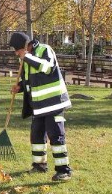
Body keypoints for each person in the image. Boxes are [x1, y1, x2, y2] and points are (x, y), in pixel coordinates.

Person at [9, 32, 73, 181]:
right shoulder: (25, 60)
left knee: (56, 136)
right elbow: (30, 80)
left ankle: (64, 170)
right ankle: (39, 165)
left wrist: (27, 57)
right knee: (36, 135)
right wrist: (20, 87)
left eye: (17, 50)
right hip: (38, 107)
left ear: (25, 47)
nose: (16, 53)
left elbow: (47, 67)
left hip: (54, 103)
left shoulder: (45, 50)